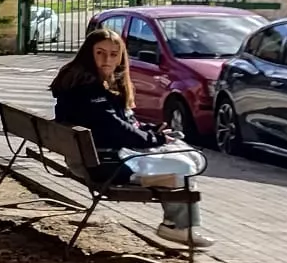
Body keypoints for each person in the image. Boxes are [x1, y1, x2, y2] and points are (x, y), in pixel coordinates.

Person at [51, 26, 213, 248]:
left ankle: (178, 223)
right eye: (100, 52)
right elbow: (113, 127)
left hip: (98, 157)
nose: (107, 59)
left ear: (121, 58)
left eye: (114, 54)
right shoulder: (87, 89)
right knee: (185, 165)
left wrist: (150, 130)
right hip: (107, 164)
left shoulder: (89, 82)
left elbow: (118, 123)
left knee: (188, 158)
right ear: (88, 53)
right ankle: (178, 227)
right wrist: (154, 140)